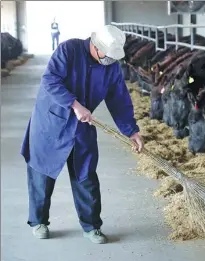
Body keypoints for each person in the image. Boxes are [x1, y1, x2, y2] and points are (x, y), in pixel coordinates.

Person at [20, 24, 144, 244]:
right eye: (107, 55)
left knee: (85, 175)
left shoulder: (111, 65)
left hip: (82, 125)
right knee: (42, 173)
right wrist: (75, 105)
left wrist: (131, 130)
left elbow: (119, 98)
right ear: (95, 46)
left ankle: (92, 226)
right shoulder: (69, 50)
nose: (109, 61)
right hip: (51, 122)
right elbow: (50, 80)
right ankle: (39, 221)